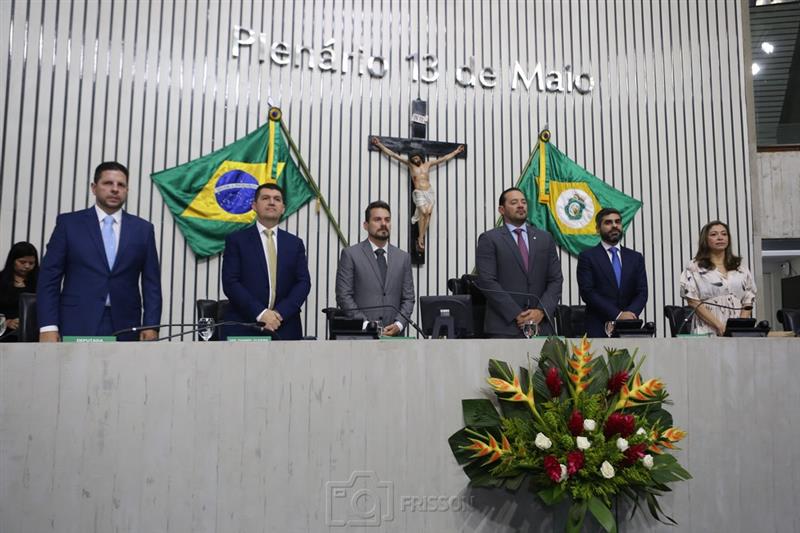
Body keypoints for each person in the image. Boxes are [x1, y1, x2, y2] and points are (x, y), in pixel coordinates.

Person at [37, 162, 162, 341]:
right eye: (108, 183)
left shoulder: (143, 229)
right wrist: (48, 326)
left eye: (121, 185)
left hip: (126, 324)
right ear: (94, 188)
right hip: (77, 321)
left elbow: (152, 283)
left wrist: (151, 325)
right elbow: (49, 278)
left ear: (127, 190)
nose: (115, 189)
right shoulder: (69, 224)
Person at [221, 183, 311, 340]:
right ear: (254, 206)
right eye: (265, 198)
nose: (271, 202)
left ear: (283, 208)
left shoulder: (295, 243)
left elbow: (303, 283)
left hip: (285, 325)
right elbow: (230, 282)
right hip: (245, 324)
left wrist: (278, 314)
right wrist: (261, 313)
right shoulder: (237, 241)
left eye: (277, 199)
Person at [476, 187, 563, 337]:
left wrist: (541, 311)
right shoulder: (489, 239)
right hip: (505, 327)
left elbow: (556, 279)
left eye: (523, 202)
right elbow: (487, 281)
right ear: (502, 210)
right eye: (514, 202)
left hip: (541, 325)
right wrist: (517, 314)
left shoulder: (545, 238)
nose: (521, 205)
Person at [335, 200, 415, 336]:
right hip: (361, 335)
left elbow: (408, 298)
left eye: (387, 220)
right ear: (365, 225)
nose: (383, 224)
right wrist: (367, 325)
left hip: (395, 337)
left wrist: (399, 324)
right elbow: (344, 296)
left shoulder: (403, 257)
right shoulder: (350, 254)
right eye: (377, 219)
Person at [371, 137, 464, 252]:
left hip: (429, 191)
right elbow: (393, 155)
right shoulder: (411, 165)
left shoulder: (428, 164)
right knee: (423, 212)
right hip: (419, 192)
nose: (415, 160)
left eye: (417, 158)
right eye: (413, 158)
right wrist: (379, 145)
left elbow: (443, 159)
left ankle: (421, 237)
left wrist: (456, 151)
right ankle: (420, 238)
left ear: (420, 157)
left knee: (428, 213)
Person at [576, 208, 648, 337]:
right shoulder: (587, 257)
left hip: (630, 327)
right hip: (598, 327)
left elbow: (642, 292)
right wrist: (618, 315)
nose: (614, 226)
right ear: (598, 229)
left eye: (617, 222)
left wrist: (630, 314)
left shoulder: (635, 257)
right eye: (608, 222)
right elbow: (588, 292)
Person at [679, 220, 756, 336]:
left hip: (737, 326)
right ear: (705, 240)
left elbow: (748, 298)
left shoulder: (740, 267)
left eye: (724, 234)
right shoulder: (694, 267)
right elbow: (692, 300)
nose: (720, 237)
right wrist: (719, 326)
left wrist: (741, 325)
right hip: (707, 325)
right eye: (714, 234)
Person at [0, 242, 39, 341]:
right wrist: (6, 322)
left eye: (31, 263)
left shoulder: (40, 282)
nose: (27, 266)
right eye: (22, 262)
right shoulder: (1, 280)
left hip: (33, 335)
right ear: (12, 261)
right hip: (4, 335)